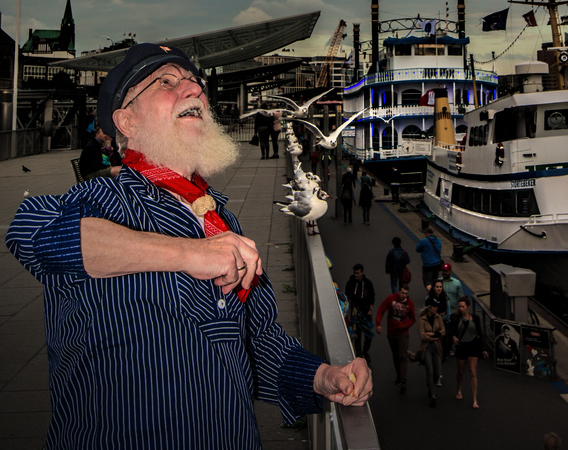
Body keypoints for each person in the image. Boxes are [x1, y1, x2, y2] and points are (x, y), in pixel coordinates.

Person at [6, 41, 371, 450]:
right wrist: (187, 253)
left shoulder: (222, 221)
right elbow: (32, 231)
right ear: (127, 121)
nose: (194, 89)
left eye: (195, 82)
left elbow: (257, 341)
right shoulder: (104, 201)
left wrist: (323, 376)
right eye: (166, 81)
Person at [375, 283, 416, 394]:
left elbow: (413, 319)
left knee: (402, 355)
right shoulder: (390, 299)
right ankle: (398, 374)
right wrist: (378, 324)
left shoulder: (410, 303)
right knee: (395, 355)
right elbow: (381, 310)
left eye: (406, 294)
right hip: (391, 333)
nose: (404, 295)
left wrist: (405, 325)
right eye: (402, 293)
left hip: (403, 333)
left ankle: (403, 380)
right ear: (398, 292)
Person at [449, 296, 488, 409]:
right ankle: (459, 388)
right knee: (461, 372)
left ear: (468, 307)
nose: (461, 308)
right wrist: (453, 336)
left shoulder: (475, 318)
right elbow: (451, 329)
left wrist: (483, 348)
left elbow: (480, 333)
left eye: (463, 306)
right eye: (459, 306)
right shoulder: (455, 317)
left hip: (473, 346)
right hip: (461, 346)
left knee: (472, 371)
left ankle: (474, 399)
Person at [416, 295, 445, 408]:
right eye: (434, 307)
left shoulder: (438, 318)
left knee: (437, 372)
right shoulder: (422, 320)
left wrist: (432, 334)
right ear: (429, 308)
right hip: (427, 347)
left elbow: (443, 331)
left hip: (437, 347)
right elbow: (422, 336)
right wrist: (435, 336)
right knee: (430, 370)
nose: (436, 308)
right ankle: (432, 394)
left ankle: (431, 385)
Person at [344, 263, 375, 360]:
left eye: (358, 273)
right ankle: (359, 353)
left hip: (366, 312)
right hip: (355, 312)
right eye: (355, 273)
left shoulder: (368, 283)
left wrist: (370, 309)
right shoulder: (350, 283)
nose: (356, 275)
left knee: (368, 333)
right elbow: (347, 297)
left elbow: (372, 296)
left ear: (362, 272)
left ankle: (365, 350)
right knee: (356, 334)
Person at [439, 261, 465, 355]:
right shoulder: (439, 282)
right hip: (442, 312)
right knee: (442, 331)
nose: (444, 273)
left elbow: (461, 297)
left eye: (446, 271)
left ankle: (449, 348)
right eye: (443, 271)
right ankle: (442, 348)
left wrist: (460, 310)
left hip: (453, 312)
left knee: (451, 331)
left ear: (450, 271)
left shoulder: (456, 283)